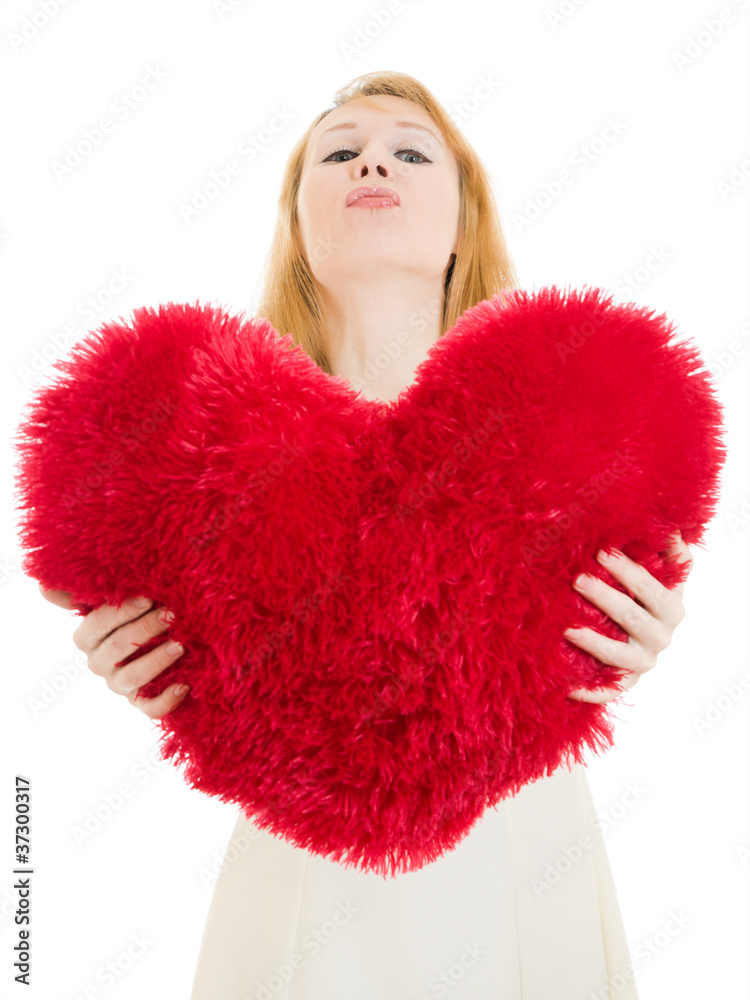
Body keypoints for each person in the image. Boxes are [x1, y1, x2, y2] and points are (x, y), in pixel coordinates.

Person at [41, 71, 693, 1000]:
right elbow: (162, 625)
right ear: (299, 224)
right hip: (303, 846)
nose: (372, 159)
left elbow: (635, 568)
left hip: (517, 830)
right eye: (339, 151)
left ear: (465, 221)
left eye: (409, 150)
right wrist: (155, 662)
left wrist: (643, 628)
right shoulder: (201, 452)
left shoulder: (563, 428)